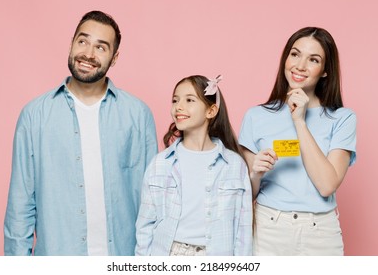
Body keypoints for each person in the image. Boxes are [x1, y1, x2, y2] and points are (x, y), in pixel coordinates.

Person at [4, 10, 158, 256]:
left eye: (101, 47)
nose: (88, 53)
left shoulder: (137, 115)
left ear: (114, 58)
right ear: (71, 44)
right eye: (83, 41)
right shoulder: (34, 115)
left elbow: (153, 201)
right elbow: (20, 207)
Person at [238, 27, 357, 255]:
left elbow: (327, 185)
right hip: (268, 229)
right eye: (295, 54)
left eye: (313, 59)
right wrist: (255, 174)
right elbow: (247, 194)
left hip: (320, 232)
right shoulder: (256, 116)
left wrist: (299, 121)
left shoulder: (343, 118)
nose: (300, 66)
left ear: (325, 71)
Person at [135, 75, 252, 256]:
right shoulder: (160, 163)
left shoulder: (234, 165)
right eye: (175, 100)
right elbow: (145, 226)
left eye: (189, 100)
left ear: (211, 111)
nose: (178, 107)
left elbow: (242, 229)